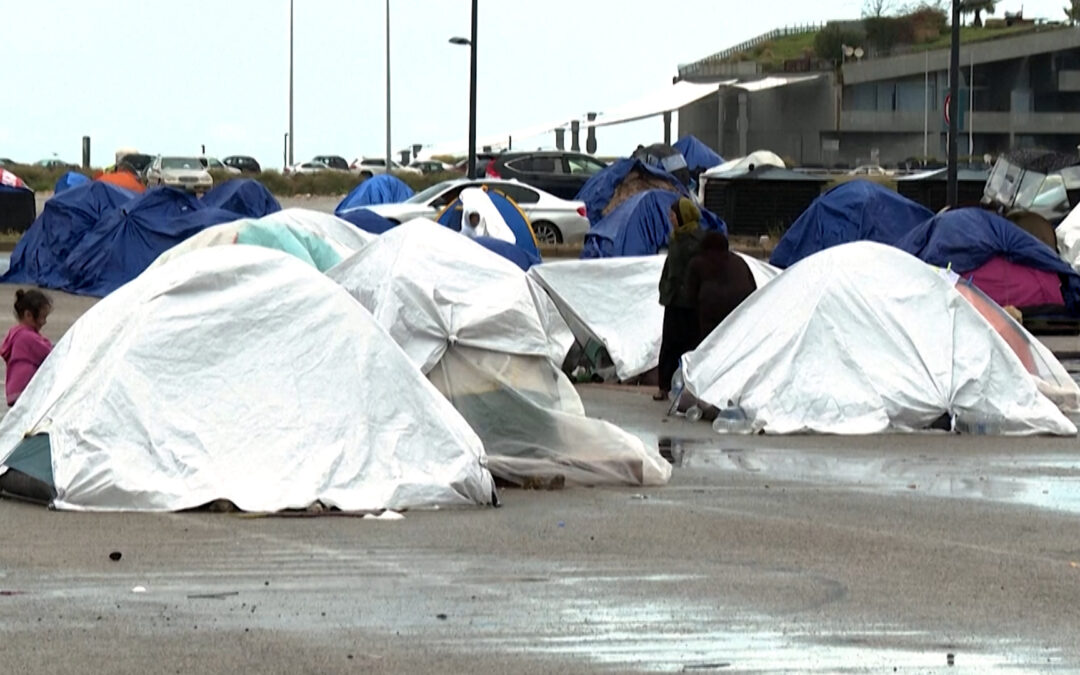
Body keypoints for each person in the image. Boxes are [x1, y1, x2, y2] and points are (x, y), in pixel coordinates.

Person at [654, 198, 705, 401]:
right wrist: (665, 286)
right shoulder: (674, 238)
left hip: (691, 302)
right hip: (673, 300)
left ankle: (690, 387)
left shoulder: (698, 239)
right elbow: (670, 266)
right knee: (669, 344)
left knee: (691, 343)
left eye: (674, 215)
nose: (671, 219)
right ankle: (663, 386)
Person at [685, 231, 757, 341]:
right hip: (741, 310)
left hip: (711, 312)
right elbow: (753, 287)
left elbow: (690, 295)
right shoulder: (739, 261)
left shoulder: (697, 263)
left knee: (710, 343)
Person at [2, 289, 53, 407]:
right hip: (25, 390)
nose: (44, 322)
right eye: (42, 317)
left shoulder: (16, 333)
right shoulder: (26, 337)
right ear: (28, 315)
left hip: (15, 390)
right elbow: (48, 353)